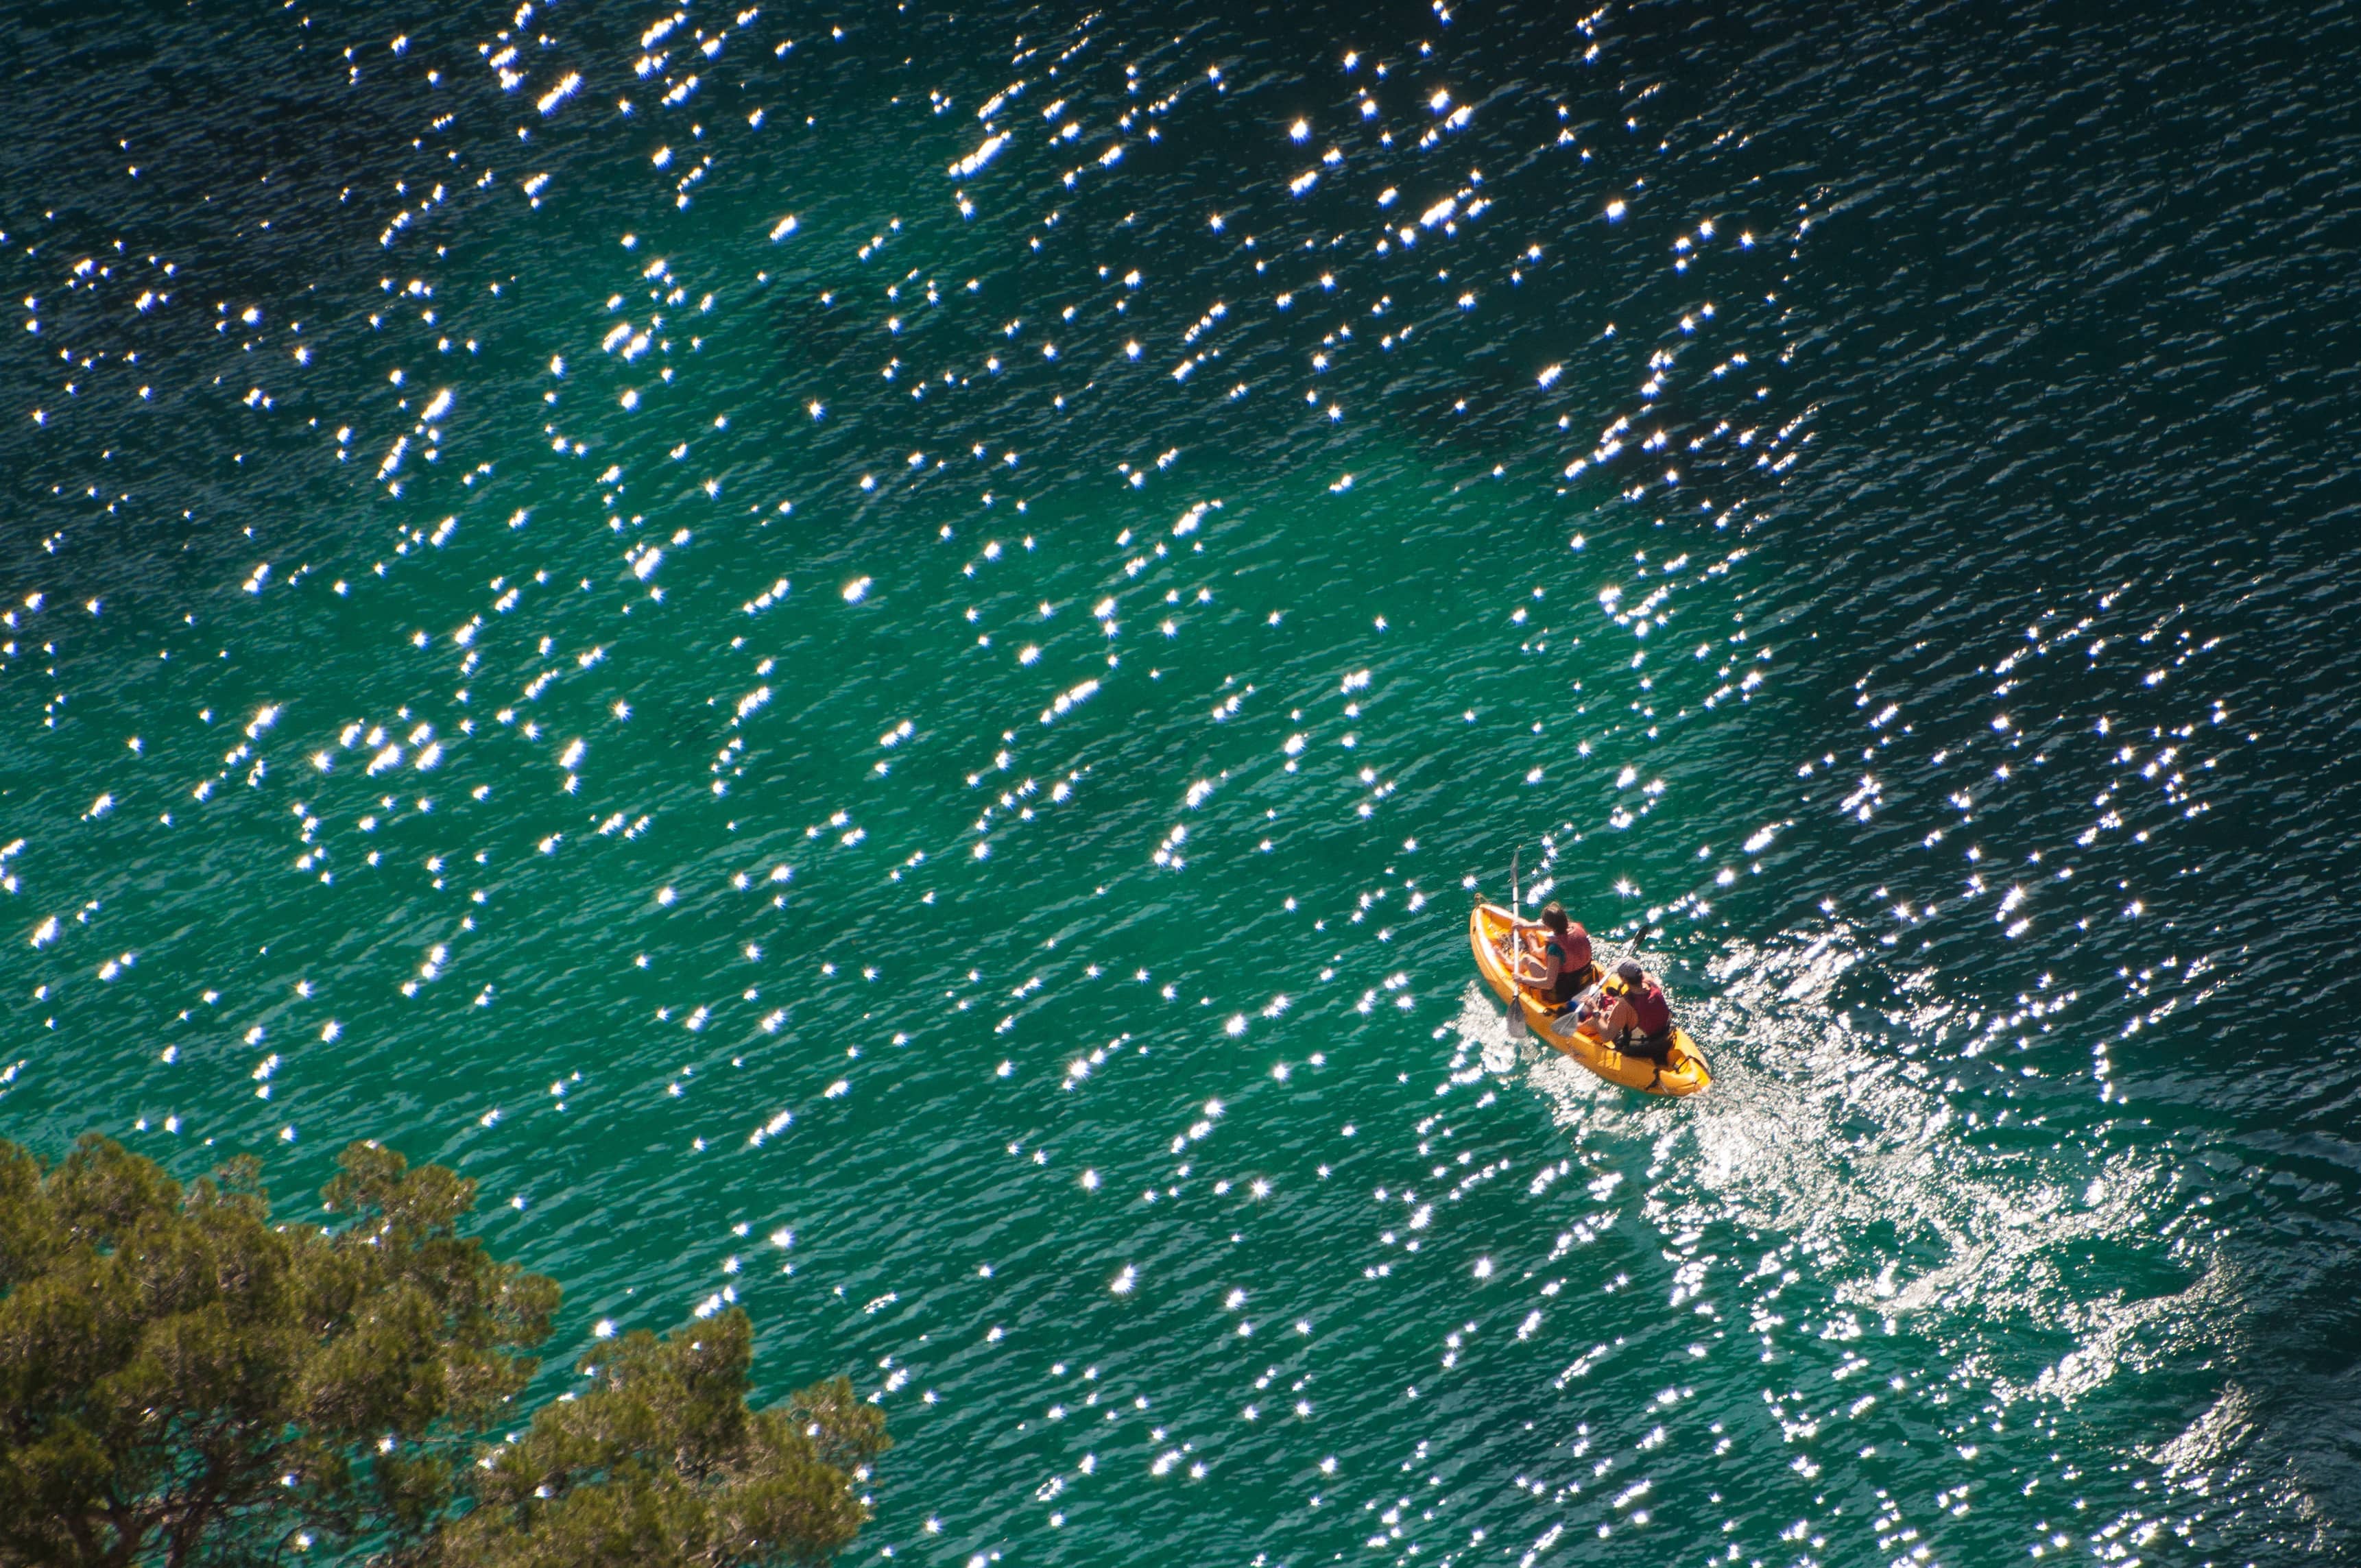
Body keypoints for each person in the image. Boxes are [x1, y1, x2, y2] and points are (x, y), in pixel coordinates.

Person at [1596, 958, 1675, 1063]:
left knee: (1603, 1015)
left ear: (1624, 979)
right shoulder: (1653, 984)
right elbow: (1644, 975)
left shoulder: (1624, 1005)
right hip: (1663, 1039)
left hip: (1639, 1050)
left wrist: (1595, 1012)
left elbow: (1607, 1037)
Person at [1524, 903, 1597, 1009]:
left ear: (1548, 925)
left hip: (1562, 993)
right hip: (1584, 983)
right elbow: (1553, 926)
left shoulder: (1555, 948)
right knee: (1544, 955)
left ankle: (1509, 963)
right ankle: (1533, 947)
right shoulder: (1576, 928)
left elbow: (1549, 983)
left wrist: (1522, 979)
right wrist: (1527, 926)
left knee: (1526, 959)